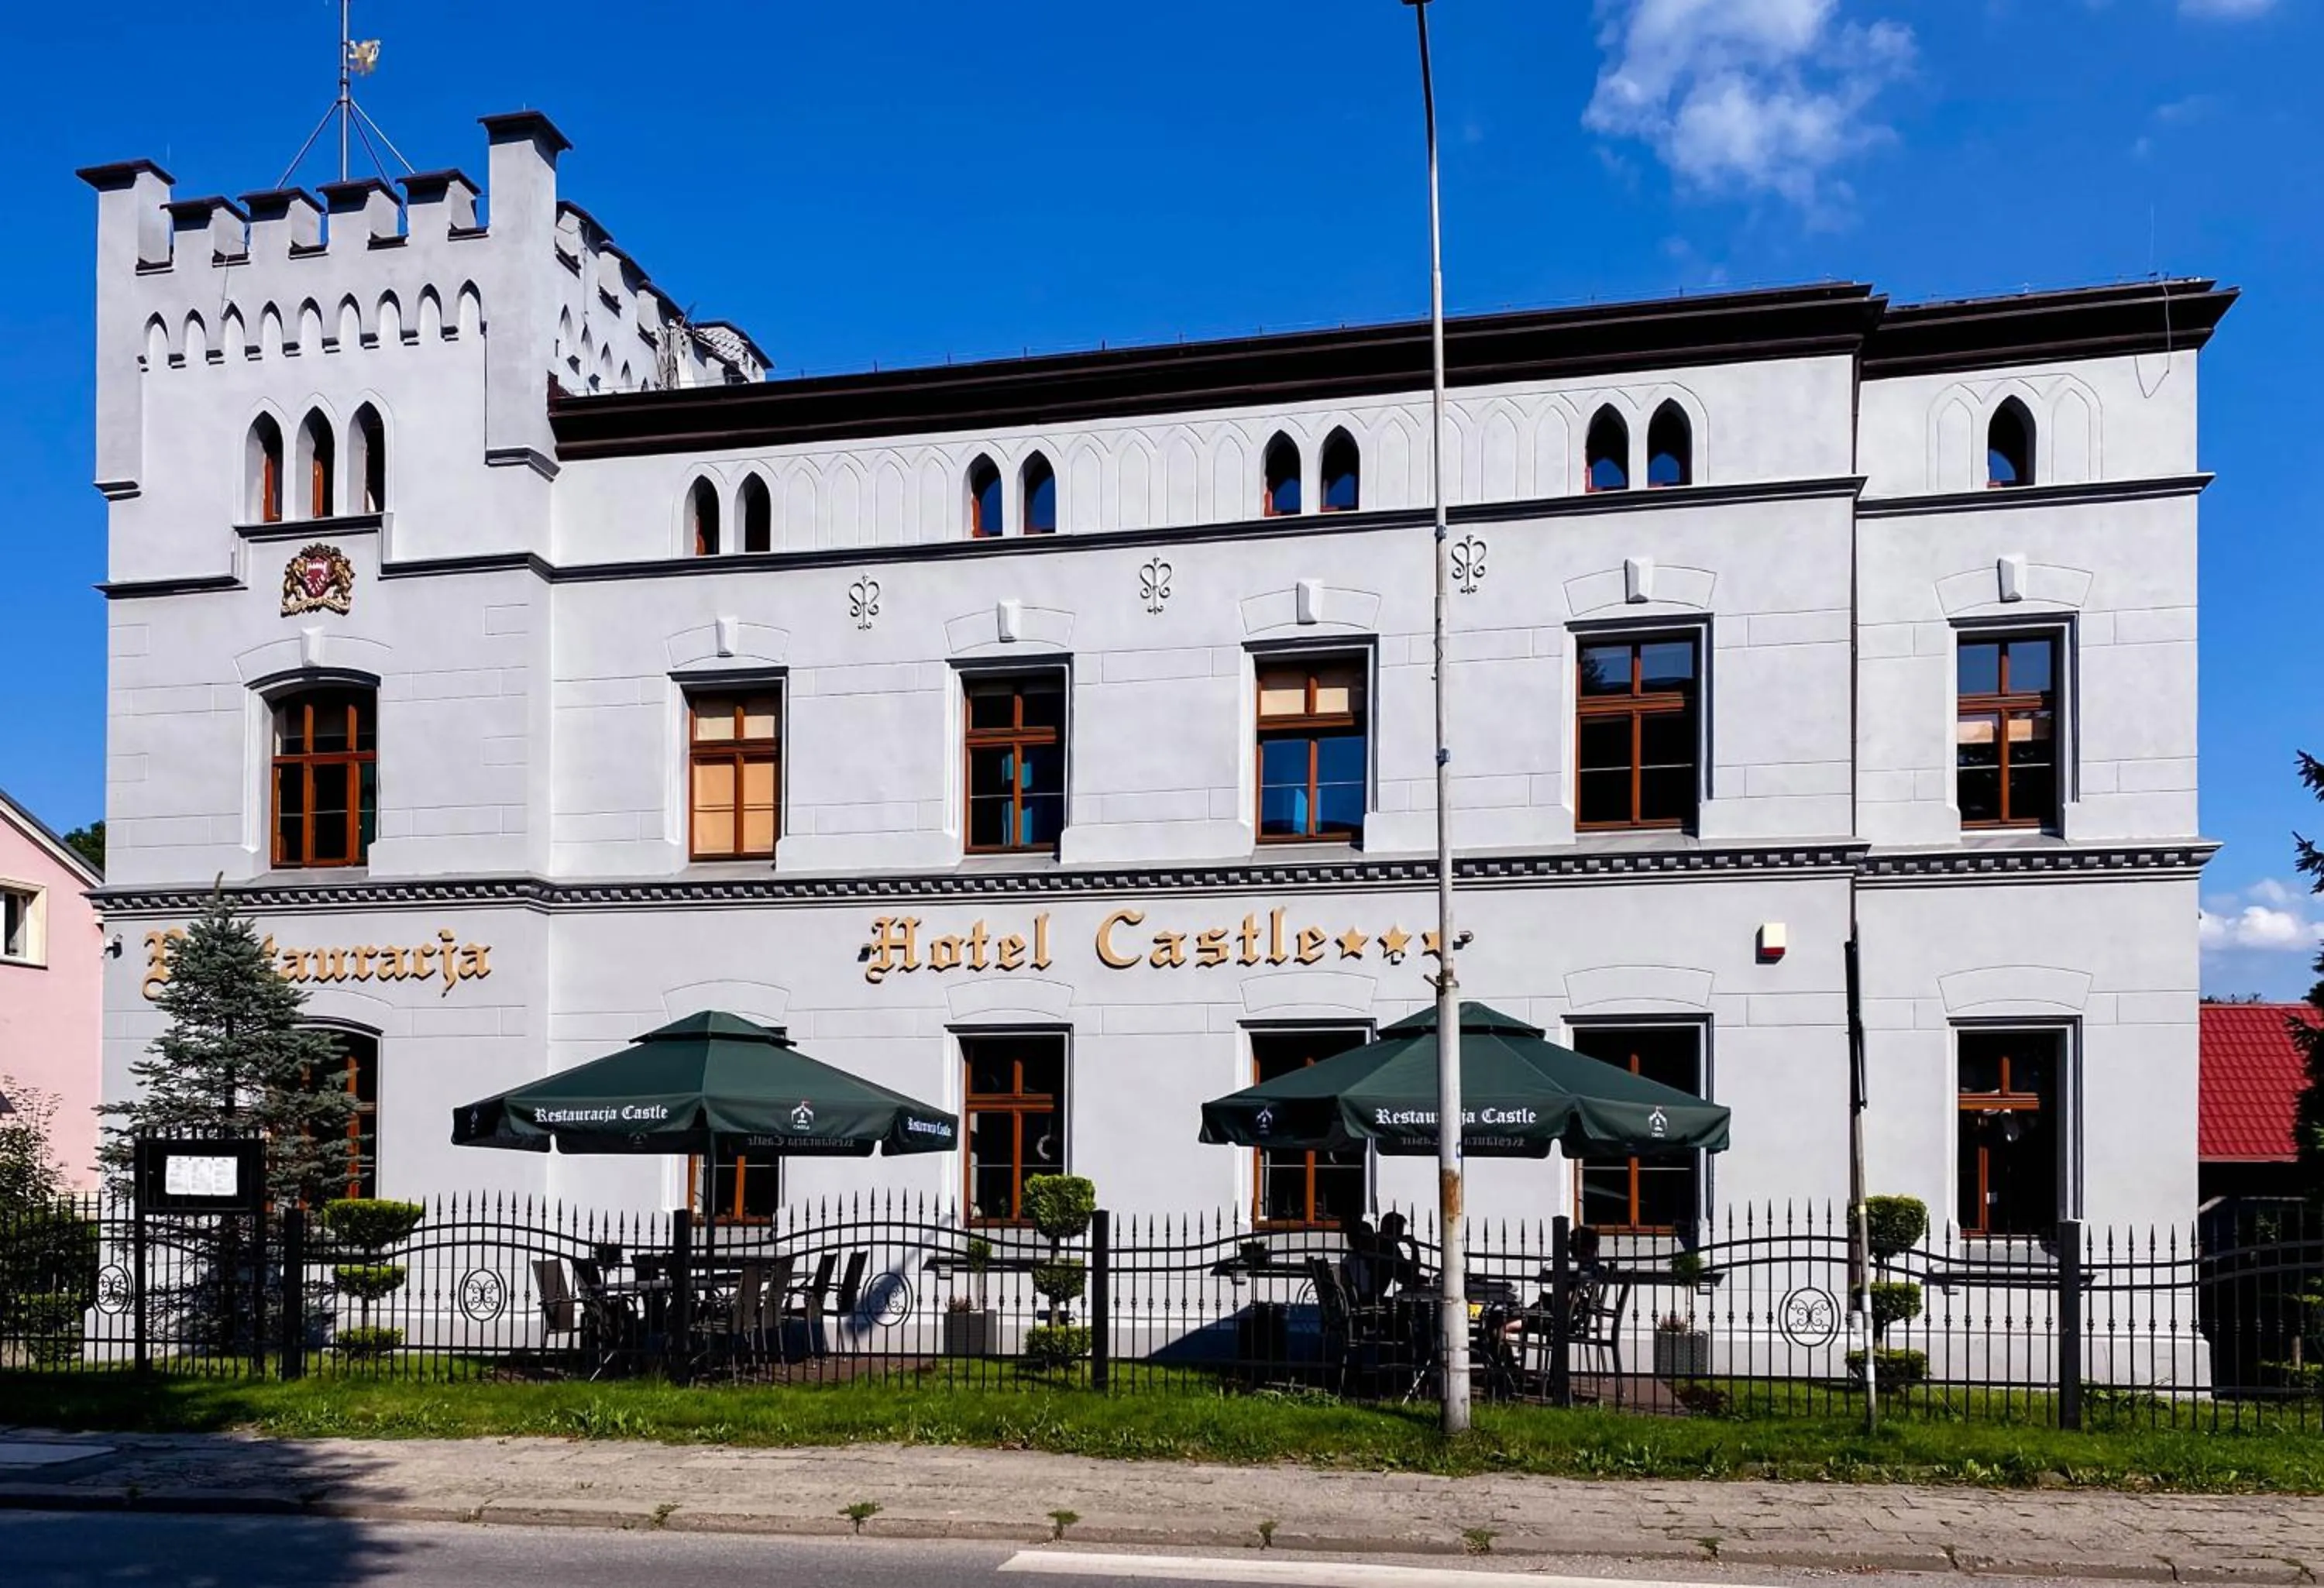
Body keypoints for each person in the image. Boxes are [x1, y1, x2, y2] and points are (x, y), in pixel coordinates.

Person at [1375, 1211, 1425, 1297]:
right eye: (1399, 1229)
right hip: (1375, 1297)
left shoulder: (1381, 1242)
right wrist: (1414, 1248)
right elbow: (1407, 1275)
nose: (1401, 1234)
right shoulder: (1386, 1246)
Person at [1336, 1214, 1382, 1305]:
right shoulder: (1359, 1263)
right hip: (1363, 1306)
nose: (1374, 1240)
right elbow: (1364, 1293)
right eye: (1371, 1237)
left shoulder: (1349, 1259)